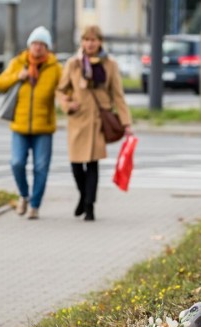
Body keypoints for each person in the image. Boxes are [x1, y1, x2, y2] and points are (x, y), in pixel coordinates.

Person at [57, 25, 133, 221]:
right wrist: (67, 104)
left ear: (100, 42)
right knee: (75, 164)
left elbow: (118, 95)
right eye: (86, 40)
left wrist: (126, 123)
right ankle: (83, 196)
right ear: (82, 42)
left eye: (93, 40)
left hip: (98, 120)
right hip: (77, 119)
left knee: (92, 164)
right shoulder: (73, 63)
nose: (90, 43)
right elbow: (60, 90)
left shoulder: (110, 64)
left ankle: (90, 206)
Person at [0, 26, 62, 220]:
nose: (38, 48)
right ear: (29, 45)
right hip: (20, 125)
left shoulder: (55, 68)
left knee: (41, 167)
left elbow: (66, 88)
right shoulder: (19, 63)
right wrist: (18, 76)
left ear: (47, 48)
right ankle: (24, 195)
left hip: (44, 127)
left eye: (42, 44)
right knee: (16, 163)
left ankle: (35, 205)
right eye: (35, 43)